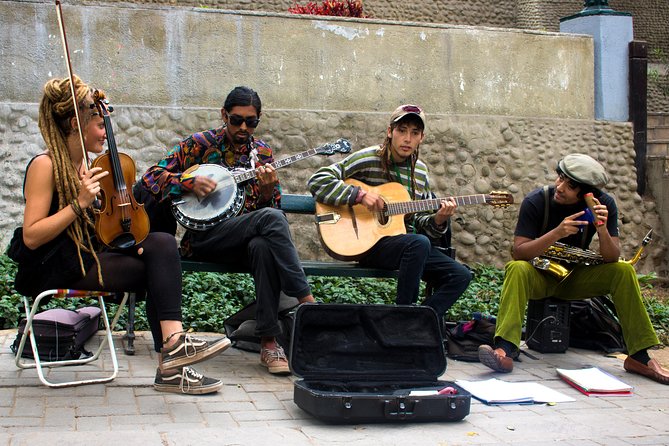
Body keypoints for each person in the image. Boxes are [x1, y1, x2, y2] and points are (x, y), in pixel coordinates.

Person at [13, 76, 230, 395]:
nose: (106, 132)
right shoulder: (45, 166)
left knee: (161, 242)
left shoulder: (82, 165)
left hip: (85, 254)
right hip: (54, 263)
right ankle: (173, 360)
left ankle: (173, 349)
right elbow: (32, 236)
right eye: (100, 125)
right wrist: (80, 203)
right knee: (158, 268)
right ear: (76, 123)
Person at [138, 86, 315, 375]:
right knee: (269, 220)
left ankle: (269, 343)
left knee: (263, 244)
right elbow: (150, 178)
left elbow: (272, 210)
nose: (243, 127)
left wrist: (269, 189)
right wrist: (187, 183)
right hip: (206, 238)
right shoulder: (199, 145)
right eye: (236, 120)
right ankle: (308, 304)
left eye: (251, 121)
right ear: (224, 115)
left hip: (244, 244)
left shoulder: (262, 153)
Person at [478, 153, 669, 384]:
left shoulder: (604, 205)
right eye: (560, 179)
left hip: (575, 278)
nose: (560, 187)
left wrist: (602, 229)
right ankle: (505, 349)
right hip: (539, 275)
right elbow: (519, 251)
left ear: (587, 194)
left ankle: (639, 356)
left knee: (624, 271)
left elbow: (611, 257)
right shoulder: (537, 200)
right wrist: (557, 232)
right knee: (516, 268)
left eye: (569, 186)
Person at [307, 104, 472, 322]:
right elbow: (317, 181)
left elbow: (418, 221)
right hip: (367, 245)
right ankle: (401, 317)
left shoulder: (420, 172)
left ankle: (415, 322)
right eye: (402, 130)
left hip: (405, 247)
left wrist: (439, 220)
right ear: (389, 132)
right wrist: (359, 196)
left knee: (460, 275)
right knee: (419, 243)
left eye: (414, 133)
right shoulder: (367, 158)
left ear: (421, 137)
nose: (407, 138)